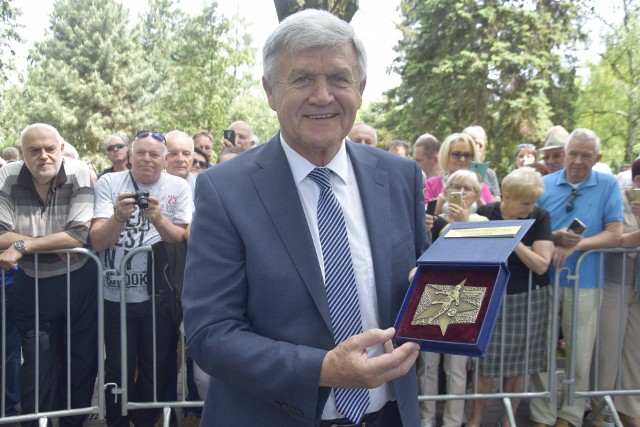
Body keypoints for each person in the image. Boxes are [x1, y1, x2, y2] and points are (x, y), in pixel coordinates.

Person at [182, 9, 426, 427]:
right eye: (301, 79)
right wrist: (324, 370)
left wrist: (461, 286)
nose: (322, 95)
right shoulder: (225, 190)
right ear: (270, 91)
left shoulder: (401, 176)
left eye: (338, 78)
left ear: (361, 88)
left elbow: (419, 288)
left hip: (389, 416)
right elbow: (210, 334)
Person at [90, 130, 193, 427]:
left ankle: (148, 420)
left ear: (165, 159)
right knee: (118, 366)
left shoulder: (178, 186)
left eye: (154, 154)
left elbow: (180, 238)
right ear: (130, 155)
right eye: (141, 153)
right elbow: (97, 241)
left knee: (157, 365)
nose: (147, 158)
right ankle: (117, 421)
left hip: (159, 296)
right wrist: (118, 217)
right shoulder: (110, 182)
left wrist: (159, 219)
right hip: (115, 295)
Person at [0, 123, 98, 427]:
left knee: (80, 361)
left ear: (61, 148)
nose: (44, 156)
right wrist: (51, 242)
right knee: (37, 361)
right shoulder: (7, 175)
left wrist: (22, 244)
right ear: (22, 154)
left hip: (78, 280)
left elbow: (78, 236)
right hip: (31, 282)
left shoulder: (80, 171)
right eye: (34, 150)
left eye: (50, 149)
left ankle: (72, 422)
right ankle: (35, 422)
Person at [530, 128, 623, 427]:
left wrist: (575, 246)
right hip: (543, 281)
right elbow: (529, 228)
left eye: (586, 155)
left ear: (598, 157)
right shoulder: (543, 184)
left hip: (586, 280)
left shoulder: (608, 185)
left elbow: (615, 234)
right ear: (565, 154)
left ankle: (569, 414)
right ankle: (542, 414)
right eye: (573, 154)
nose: (578, 161)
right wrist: (554, 238)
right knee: (541, 350)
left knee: (579, 353)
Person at [466, 167, 553, 427]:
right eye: (526, 202)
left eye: (534, 201)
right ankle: (476, 418)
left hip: (527, 297)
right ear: (507, 197)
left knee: (519, 365)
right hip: (490, 296)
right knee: (485, 363)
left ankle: (508, 420)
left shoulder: (540, 216)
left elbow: (540, 265)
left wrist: (512, 238)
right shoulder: (485, 214)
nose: (531, 207)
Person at [421, 169, 488, 427]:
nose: (460, 191)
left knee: (457, 368)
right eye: (454, 186)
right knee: (428, 363)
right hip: (431, 291)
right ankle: (426, 416)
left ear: (476, 193)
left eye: (467, 187)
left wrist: (461, 223)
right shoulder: (431, 218)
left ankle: (452, 421)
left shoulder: (482, 220)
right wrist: (427, 225)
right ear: (445, 191)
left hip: (464, 295)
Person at [592, 158, 640, 427]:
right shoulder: (618, 199)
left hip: (639, 288)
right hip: (615, 282)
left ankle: (629, 409)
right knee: (608, 352)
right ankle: (600, 409)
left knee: (636, 351)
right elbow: (612, 237)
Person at [424, 132, 494, 214]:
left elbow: (490, 218)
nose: (462, 159)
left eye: (467, 155)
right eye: (456, 154)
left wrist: (477, 195)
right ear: (446, 156)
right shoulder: (431, 185)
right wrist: (444, 194)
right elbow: (424, 216)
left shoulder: (482, 187)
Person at [463, 125, 501, 201]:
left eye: (480, 145)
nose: (476, 148)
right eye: (472, 143)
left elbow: (497, 200)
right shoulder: (454, 167)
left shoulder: (489, 173)